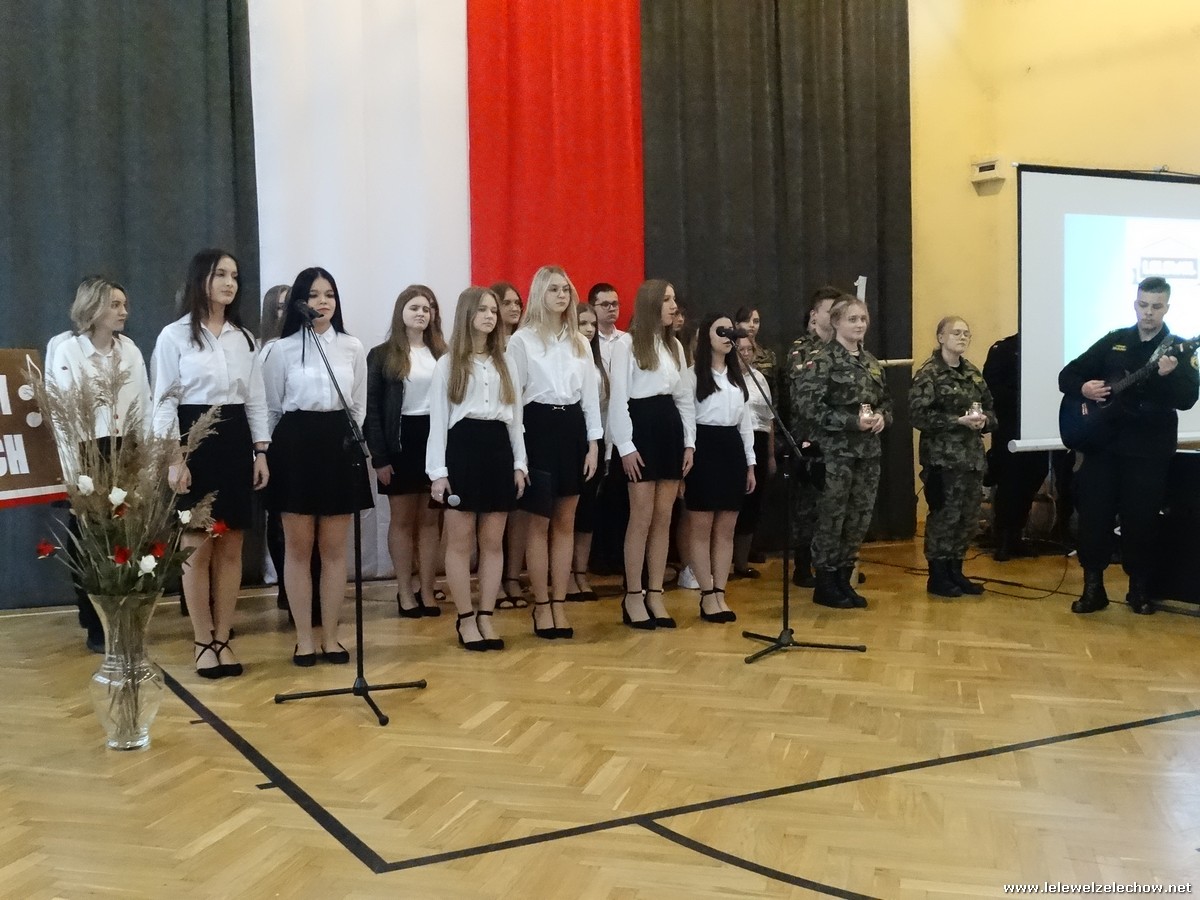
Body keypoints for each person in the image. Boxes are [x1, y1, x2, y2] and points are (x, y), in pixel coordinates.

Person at [151, 249, 270, 677]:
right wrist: (174, 458)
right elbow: (164, 402)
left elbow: (255, 398)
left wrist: (260, 451)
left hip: (234, 440)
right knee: (196, 548)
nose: (229, 283)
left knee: (231, 546)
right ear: (201, 278)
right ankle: (202, 641)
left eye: (234, 275)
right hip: (192, 442)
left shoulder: (245, 338)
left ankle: (223, 637)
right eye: (220, 274)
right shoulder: (174, 336)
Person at [1058, 276, 1199, 615]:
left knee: (1141, 521)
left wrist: (1168, 377)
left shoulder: (1179, 350)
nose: (1148, 312)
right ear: (1136, 304)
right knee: (1094, 518)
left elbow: (1186, 400)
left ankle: (1139, 590)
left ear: (1167, 308)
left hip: (1148, 451)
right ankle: (1093, 589)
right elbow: (1067, 375)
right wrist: (1084, 388)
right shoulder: (1115, 340)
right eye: (1143, 304)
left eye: (1156, 306)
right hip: (1103, 447)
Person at [261, 266, 371, 666]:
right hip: (294, 446)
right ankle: (304, 638)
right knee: (298, 548)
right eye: (313, 295)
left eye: (329, 295)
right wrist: (268, 454)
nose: (322, 302)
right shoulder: (280, 349)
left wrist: (344, 439)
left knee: (334, 550)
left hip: (338, 444)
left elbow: (357, 406)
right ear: (299, 303)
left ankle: (332, 636)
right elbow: (271, 408)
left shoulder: (352, 347)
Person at [45, 276, 152, 653]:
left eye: (124, 305)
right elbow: (63, 419)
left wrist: (145, 459)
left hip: (125, 449)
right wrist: (73, 475)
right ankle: (93, 621)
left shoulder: (130, 351)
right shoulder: (68, 351)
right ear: (92, 308)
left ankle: (124, 615)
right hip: (88, 450)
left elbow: (144, 403)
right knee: (89, 540)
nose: (123, 312)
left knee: (125, 536)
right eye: (115, 305)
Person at [427, 286, 528, 651]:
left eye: (493, 311)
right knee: (460, 541)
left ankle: (486, 614)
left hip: (498, 448)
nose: (490, 316)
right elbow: (438, 422)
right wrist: (438, 472)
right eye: (482, 310)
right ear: (467, 314)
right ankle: (466, 617)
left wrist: (519, 463)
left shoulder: (506, 362)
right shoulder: (448, 363)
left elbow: (516, 419)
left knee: (492, 541)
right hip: (463, 449)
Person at [507, 267, 602, 639]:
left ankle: (560, 603)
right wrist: (519, 455)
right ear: (539, 294)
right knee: (539, 523)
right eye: (553, 289)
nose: (562, 295)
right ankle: (542, 604)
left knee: (566, 522)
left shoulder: (579, 341)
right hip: (538, 428)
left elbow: (590, 397)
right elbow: (514, 402)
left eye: (565, 289)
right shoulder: (522, 341)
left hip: (572, 428)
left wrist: (593, 443)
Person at [608, 279, 696, 629]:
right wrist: (625, 446)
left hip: (669, 429)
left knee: (664, 517)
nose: (674, 306)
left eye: (674, 299)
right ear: (650, 304)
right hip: (641, 429)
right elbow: (618, 400)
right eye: (666, 299)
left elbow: (684, 398)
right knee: (641, 516)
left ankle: (656, 593)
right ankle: (633, 594)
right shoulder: (627, 345)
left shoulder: (675, 345)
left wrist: (689, 442)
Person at [793, 296, 891, 609]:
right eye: (852, 319)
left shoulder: (871, 361)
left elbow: (886, 401)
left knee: (857, 519)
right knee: (832, 519)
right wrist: (850, 422)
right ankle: (825, 583)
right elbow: (808, 407)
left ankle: (844, 579)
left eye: (863, 319)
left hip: (867, 454)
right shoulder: (822, 360)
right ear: (836, 323)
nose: (860, 324)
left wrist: (882, 417)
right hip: (835, 454)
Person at [366, 284, 447, 619]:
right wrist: (380, 457)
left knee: (430, 521)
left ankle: (427, 589)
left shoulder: (442, 353)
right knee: (401, 520)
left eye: (427, 308)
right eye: (414, 307)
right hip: (399, 442)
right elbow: (371, 410)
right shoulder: (382, 354)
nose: (421, 313)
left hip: (434, 440)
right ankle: (404, 590)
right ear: (401, 312)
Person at [910, 316, 995, 597]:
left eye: (966, 333)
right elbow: (918, 415)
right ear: (941, 337)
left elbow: (991, 409)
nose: (962, 338)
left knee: (967, 519)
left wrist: (985, 420)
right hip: (942, 461)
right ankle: (938, 576)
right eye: (956, 333)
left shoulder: (972, 373)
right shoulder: (929, 374)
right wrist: (956, 421)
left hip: (971, 459)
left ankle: (956, 572)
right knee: (944, 518)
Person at [685, 314, 756, 622]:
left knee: (726, 529)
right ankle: (706, 594)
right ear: (706, 336)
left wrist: (750, 463)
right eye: (720, 331)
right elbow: (686, 419)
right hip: (703, 447)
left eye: (730, 331)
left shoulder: (737, 378)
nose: (727, 337)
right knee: (701, 528)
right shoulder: (692, 376)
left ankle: (720, 592)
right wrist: (688, 451)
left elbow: (746, 423)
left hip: (731, 449)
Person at [786, 287, 842, 586]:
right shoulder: (802, 350)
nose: (834, 317)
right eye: (830, 311)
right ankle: (803, 566)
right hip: (811, 439)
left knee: (836, 506)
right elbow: (804, 395)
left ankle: (834, 565)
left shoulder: (844, 349)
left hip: (841, 441)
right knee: (808, 507)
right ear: (814, 315)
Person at [491, 281, 531, 607]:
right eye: (507, 303)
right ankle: (492, 583)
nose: (515, 308)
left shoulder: (526, 342)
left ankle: (513, 577)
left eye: (518, 303)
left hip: (524, 430)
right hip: (490, 434)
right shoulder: (484, 346)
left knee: (519, 512)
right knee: (491, 515)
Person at [567, 302, 608, 603]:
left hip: (595, 439)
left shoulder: (597, 362)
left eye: (593, 324)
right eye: (583, 323)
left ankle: (581, 573)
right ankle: (566, 575)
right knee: (568, 510)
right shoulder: (569, 357)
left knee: (588, 512)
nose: (590, 329)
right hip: (570, 436)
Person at [732, 333, 776, 578]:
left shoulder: (760, 379)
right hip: (734, 441)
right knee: (731, 503)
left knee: (752, 503)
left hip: (758, 441)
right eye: (741, 349)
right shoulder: (726, 377)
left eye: (750, 349)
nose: (746, 354)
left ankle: (741, 562)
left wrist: (770, 455)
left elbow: (769, 419)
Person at [735, 305, 776, 386]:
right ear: (737, 324)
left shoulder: (768, 355)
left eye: (756, 321)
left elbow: (774, 387)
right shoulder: (730, 352)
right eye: (747, 321)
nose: (752, 325)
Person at [589, 282, 623, 369]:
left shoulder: (626, 339)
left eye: (614, 304)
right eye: (605, 304)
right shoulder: (588, 339)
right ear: (592, 307)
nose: (612, 309)